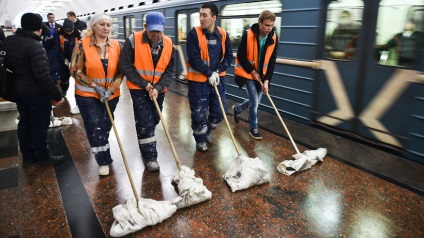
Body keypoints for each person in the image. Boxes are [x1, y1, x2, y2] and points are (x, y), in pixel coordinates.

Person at [3, 13, 65, 166]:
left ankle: (28, 156)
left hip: (18, 90)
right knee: (39, 125)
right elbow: (43, 76)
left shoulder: (9, 41)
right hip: (35, 93)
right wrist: (57, 96)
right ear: (38, 28)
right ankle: (43, 157)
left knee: (25, 122)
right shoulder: (35, 46)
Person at [119, 12, 175, 172]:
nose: (156, 34)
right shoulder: (133, 40)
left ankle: (146, 137)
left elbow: (170, 70)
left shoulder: (169, 43)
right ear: (145, 27)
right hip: (139, 89)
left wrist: (157, 88)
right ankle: (150, 157)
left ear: (164, 28)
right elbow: (125, 66)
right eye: (152, 31)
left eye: (159, 31)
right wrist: (145, 85)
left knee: (155, 118)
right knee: (145, 124)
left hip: (159, 89)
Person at [70, 13, 123, 176]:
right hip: (88, 96)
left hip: (110, 96)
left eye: (108, 25)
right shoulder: (82, 45)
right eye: (102, 24)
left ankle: (101, 146)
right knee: (96, 126)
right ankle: (104, 160)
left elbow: (121, 72)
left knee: (106, 125)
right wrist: (95, 86)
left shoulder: (116, 45)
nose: (106, 28)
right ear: (93, 26)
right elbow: (75, 71)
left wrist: (111, 89)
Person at [186, 3, 233, 152]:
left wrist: (217, 72)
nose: (201, 18)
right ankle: (200, 139)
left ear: (214, 18)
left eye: (204, 15)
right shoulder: (194, 34)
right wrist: (208, 73)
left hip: (217, 80)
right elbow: (194, 59)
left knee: (220, 111)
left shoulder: (224, 35)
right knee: (198, 113)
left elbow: (229, 57)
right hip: (198, 82)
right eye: (200, 15)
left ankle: (208, 130)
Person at [232, 10, 278, 140]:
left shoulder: (273, 38)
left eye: (271, 26)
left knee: (255, 102)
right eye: (266, 25)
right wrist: (252, 71)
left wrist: (267, 81)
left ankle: (237, 109)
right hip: (247, 73)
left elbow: (272, 61)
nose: (269, 28)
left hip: (262, 76)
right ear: (259, 23)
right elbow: (240, 56)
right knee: (254, 100)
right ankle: (253, 127)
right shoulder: (248, 34)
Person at [58, 19, 81, 97]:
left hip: (75, 59)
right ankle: (64, 90)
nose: (69, 33)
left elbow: (81, 46)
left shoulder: (77, 33)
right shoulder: (59, 33)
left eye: (71, 31)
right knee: (65, 77)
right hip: (63, 59)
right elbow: (56, 48)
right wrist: (63, 58)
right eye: (67, 31)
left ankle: (79, 93)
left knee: (79, 76)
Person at [42, 13, 61, 86]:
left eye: (53, 17)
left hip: (53, 54)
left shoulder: (59, 27)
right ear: (48, 18)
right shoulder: (44, 27)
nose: (52, 19)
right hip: (46, 51)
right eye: (50, 17)